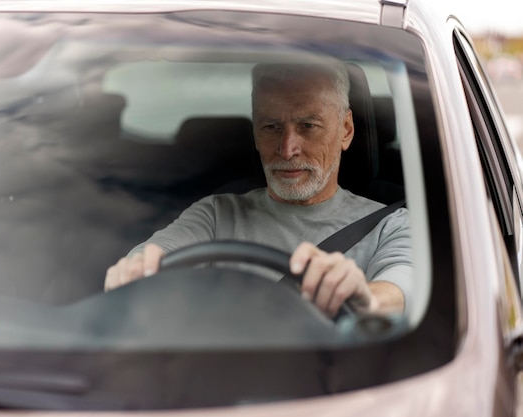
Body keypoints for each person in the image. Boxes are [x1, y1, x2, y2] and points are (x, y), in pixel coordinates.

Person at [104, 59, 412, 318]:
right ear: (255, 132)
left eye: (308, 126)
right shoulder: (217, 214)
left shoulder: (390, 226)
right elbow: (156, 254)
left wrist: (365, 299)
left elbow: (400, 287)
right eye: (272, 127)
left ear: (345, 130)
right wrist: (134, 273)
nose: (287, 148)